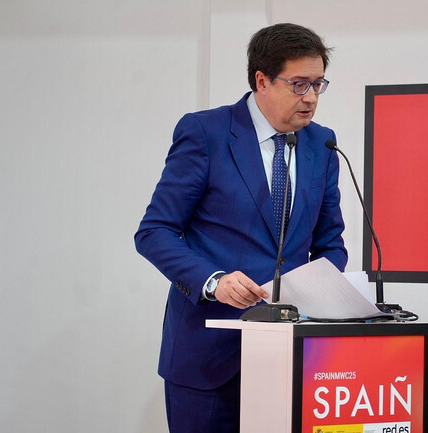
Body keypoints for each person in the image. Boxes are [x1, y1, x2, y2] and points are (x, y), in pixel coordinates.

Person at [134, 23, 347, 433]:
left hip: (291, 358)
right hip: (208, 358)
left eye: (319, 84)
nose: (311, 97)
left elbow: (330, 244)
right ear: (262, 80)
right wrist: (213, 282)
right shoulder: (206, 133)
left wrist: (314, 289)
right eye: (299, 84)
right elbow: (154, 232)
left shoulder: (322, 144)